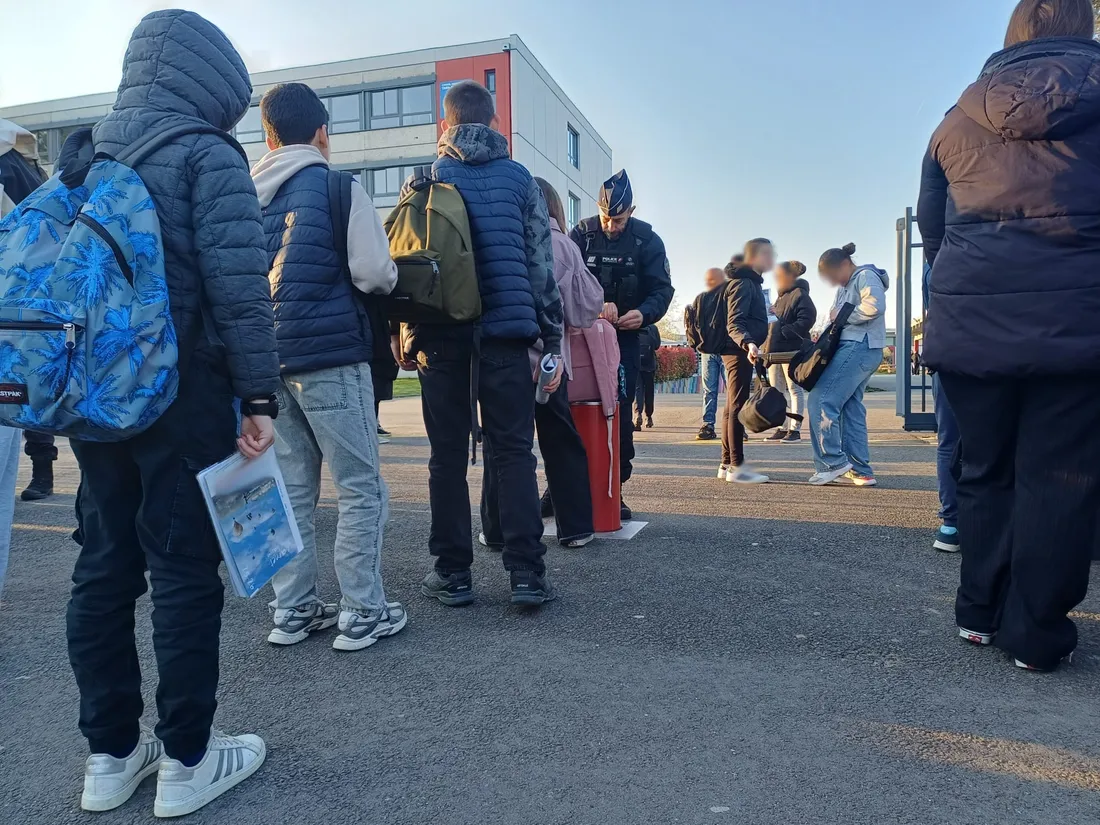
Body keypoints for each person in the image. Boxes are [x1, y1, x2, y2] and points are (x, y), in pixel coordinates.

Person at [63, 11, 280, 816]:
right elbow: (240, 293)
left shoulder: (83, 156)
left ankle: (110, 756)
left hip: (95, 395)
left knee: (103, 565)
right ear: (214, 79)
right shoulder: (206, 152)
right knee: (184, 569)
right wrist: (259, 397)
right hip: (182, 394)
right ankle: (188, 759)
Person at [918, 0, 1100, 672]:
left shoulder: (955, 120)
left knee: (983, 467)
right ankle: (1036, 632)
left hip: (973, 323)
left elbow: (934, 231)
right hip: (1079, 324)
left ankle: (978, 610)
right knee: (1060, 478)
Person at [250, 82, 405, 651]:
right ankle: (363, 610)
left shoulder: (246, 197)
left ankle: (293, 610)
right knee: (360, 487)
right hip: (332, 357)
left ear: (269, 136)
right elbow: (373, 273)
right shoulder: (340, 188)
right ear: (321, 133)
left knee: (292, 489)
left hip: (270, 362)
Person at [401, 80, 564, 607]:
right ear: (494, 123)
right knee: (513, 452)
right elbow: (541, 267)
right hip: (507, 337)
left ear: (444, 125)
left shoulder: (425, 178)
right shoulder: (521, 181)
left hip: (441, 337)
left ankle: (453, 573)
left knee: (446, 457)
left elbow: (409, 263)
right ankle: (526, 574)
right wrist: (552, 337)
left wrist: (407, 335)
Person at [484, 177, 603, 549]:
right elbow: (586, 310)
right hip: (551, 361)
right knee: (561, 442)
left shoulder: (498, 239)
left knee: (503, 446)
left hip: (504, 358)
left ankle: (496, 530)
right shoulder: (564, 246)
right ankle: (576, 527)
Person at [571, 170, 674, 520]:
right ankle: (560, 486)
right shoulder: (581, 235)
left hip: (626, 339)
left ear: (631, 211)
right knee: (569, 409)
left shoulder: (648, 241)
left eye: (618, 220)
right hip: (581, 337)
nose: (611, 226)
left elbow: (662, 290)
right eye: (605, 218)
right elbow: (563, 279)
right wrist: (594, 305)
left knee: (619, 408)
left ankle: (614, 486)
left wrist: (644, 314)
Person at [0, 119, 56, 501]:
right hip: (37, 289)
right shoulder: (30, 166)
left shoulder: (9, 166)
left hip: (13, 290)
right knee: (32, 378)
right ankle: (42, 471)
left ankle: (41, 472)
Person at [807, 244, 889, 487]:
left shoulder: (864, 275)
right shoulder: (854, 281)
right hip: (864, 347)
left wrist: (841, 315)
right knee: (850, 407)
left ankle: (831, 463)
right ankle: (859, 469)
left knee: (820, 399)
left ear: (844, 265)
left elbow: (875, 306)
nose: (834, 282)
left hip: (858, 345)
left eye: (833, 276)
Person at [720, 240, 772, 484]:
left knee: (732, 406)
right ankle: (736, 467)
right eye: (767, 254)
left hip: (738, 349)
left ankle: (726, 463)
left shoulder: (748, 282)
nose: (771, 259)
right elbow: (734, 322)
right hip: (738, 350)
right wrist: (749, 343)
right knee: (737, 407)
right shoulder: (743, 283)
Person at [762, 261, 816, 443]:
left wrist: (788, 331)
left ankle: (795, 429)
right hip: (773, 351)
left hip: (791, 350)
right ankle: (782, 427)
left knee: (794, 389)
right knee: (776, 391)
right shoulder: (780, 297)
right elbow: (778, 320)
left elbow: (808, 317)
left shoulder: (800, 293)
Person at [694, 266, 730, 441]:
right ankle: (708, 424)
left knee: (729, 391)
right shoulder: (702, 299)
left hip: (725, 350)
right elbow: (694, 324)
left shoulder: (729, 297)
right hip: (710, 351)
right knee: (711, 391)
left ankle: (735, 424)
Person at [634, 325, 661, 430]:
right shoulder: (652, 328)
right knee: (649, 391)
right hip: (649, 364)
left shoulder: (634, 326)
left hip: (636, 363)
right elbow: (657, 346)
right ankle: (648, 417)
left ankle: (638, 414)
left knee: (638, 390)